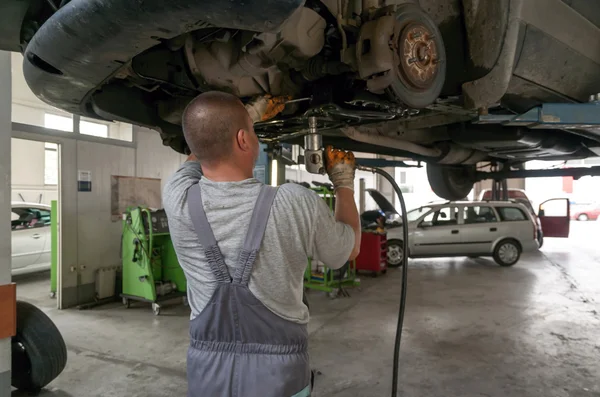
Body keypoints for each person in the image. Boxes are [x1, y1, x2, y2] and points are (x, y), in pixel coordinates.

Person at [162, 91, 361, 397]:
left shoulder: (177, 198)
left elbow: (199, 152)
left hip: (207, 380)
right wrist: (344, 182)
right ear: (243, 140)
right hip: (278, 380)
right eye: (252, 133)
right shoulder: (294, 202)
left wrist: (246, 118)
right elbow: (348, 250)